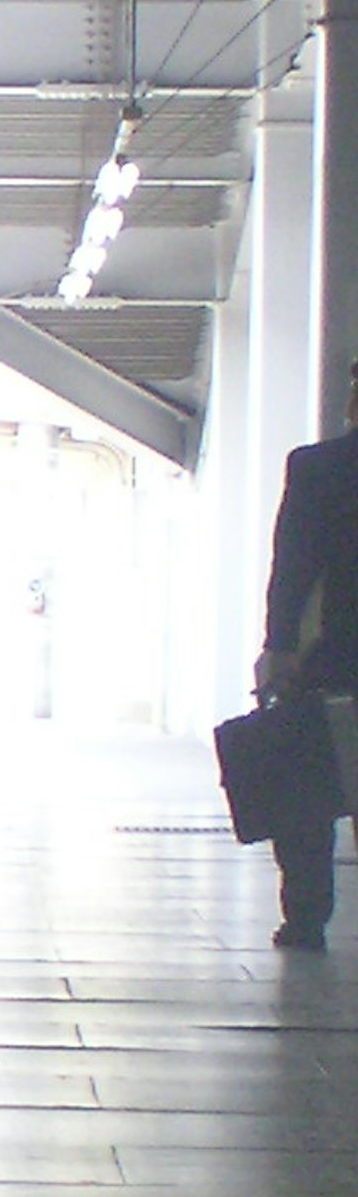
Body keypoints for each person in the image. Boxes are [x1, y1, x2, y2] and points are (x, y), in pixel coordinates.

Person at [255, 360, 358, 945]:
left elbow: (292, 568)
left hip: (340, 652)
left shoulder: (319, 468)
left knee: (307, 781)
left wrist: (280, 646)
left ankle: (306, 915)